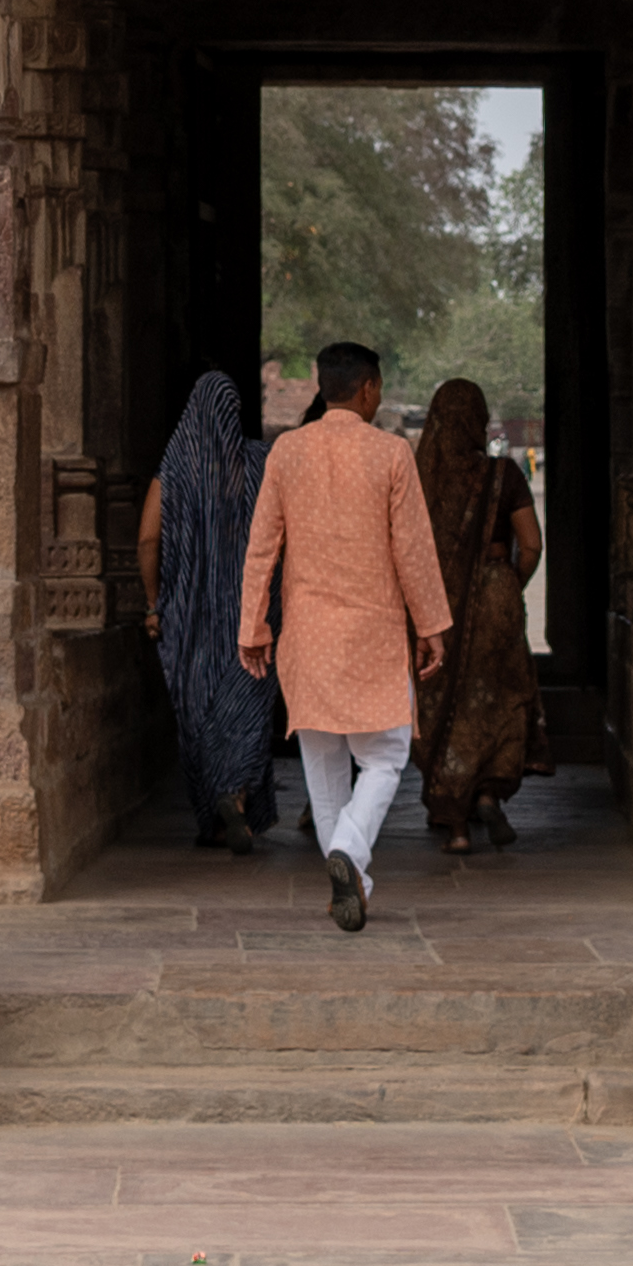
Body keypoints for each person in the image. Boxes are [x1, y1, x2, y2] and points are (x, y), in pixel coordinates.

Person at [237, 338, 451, 932]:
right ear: (368, 390)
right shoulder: (390, 454)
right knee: (385, 756)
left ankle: (346, 879)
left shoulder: (287, 452)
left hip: (306, 636)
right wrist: (431, 624)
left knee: (323, 764)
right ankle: (350, 856)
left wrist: (252, 625)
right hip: (371, 632)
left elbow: (261, 548)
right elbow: (412, 548)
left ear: (319, 386)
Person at [134, 366, 281, 855]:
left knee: (199, 716)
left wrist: (154, 604)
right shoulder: (260, 463)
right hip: (251, 620)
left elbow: (148, 538)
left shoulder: (173, 470)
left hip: (190, 621)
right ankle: (234, 798)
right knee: (245, 712)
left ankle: (216, 815)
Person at [409, 374, 543, 854]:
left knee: (442, 705)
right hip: (495, 598)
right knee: (497, 697)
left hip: (434, 607)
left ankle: (457, 824)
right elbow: (530, 544)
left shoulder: (417, 480)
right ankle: (488, 794)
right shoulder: (503, 475)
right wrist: (506, 583)